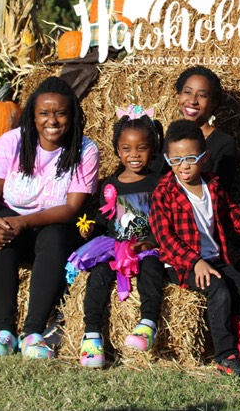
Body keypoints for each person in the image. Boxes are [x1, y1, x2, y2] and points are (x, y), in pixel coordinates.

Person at [149, 120, 240, 376]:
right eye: (177, 159)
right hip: (182, 263)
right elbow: (165, 239)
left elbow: (238, 219)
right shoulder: (163, 192)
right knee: (220, 291)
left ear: (204, 157)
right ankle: (226, 356)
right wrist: (195, 262)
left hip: (215, 260)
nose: (184, 165)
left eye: (192, 158)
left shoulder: (213, 186)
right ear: (168, 159)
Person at [0, 76, 100, 359]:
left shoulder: (85, 150)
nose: (51, 121)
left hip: (52, 225)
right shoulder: (11, 142)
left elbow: (71, 209)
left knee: (56, 235)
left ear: (72, 115)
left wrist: (24, 222)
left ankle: (33, 332)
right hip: (12, 217)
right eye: (44, 113)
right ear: (33, 116)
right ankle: (4, 331)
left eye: (60, 113)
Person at [69, 105, 166, 368]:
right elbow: (104, 219)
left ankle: (147, 323)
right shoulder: (110, 184)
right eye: (126, 148)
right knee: (99, 275)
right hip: (115, 247)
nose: (134, 155)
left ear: (153, 149)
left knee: (152, 269)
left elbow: (164, 220)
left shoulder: (159, 182)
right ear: (117, 149)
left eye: (141, 148)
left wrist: (151, 243)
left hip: (147, 246)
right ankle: (91, 336)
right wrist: (91, 228)